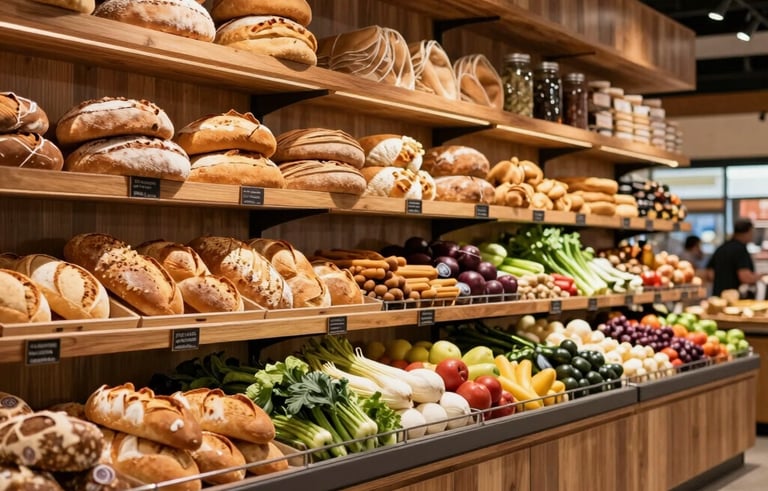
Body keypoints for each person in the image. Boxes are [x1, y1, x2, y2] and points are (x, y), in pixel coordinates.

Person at [706, 218, 764, 296]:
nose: (753, 235)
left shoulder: (721, 248)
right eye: (752, 232)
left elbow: (709, 274)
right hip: (735, 297)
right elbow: (745, 277)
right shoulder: (740, 250)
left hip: (718, 297)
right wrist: (762, 276)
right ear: (746, 232)